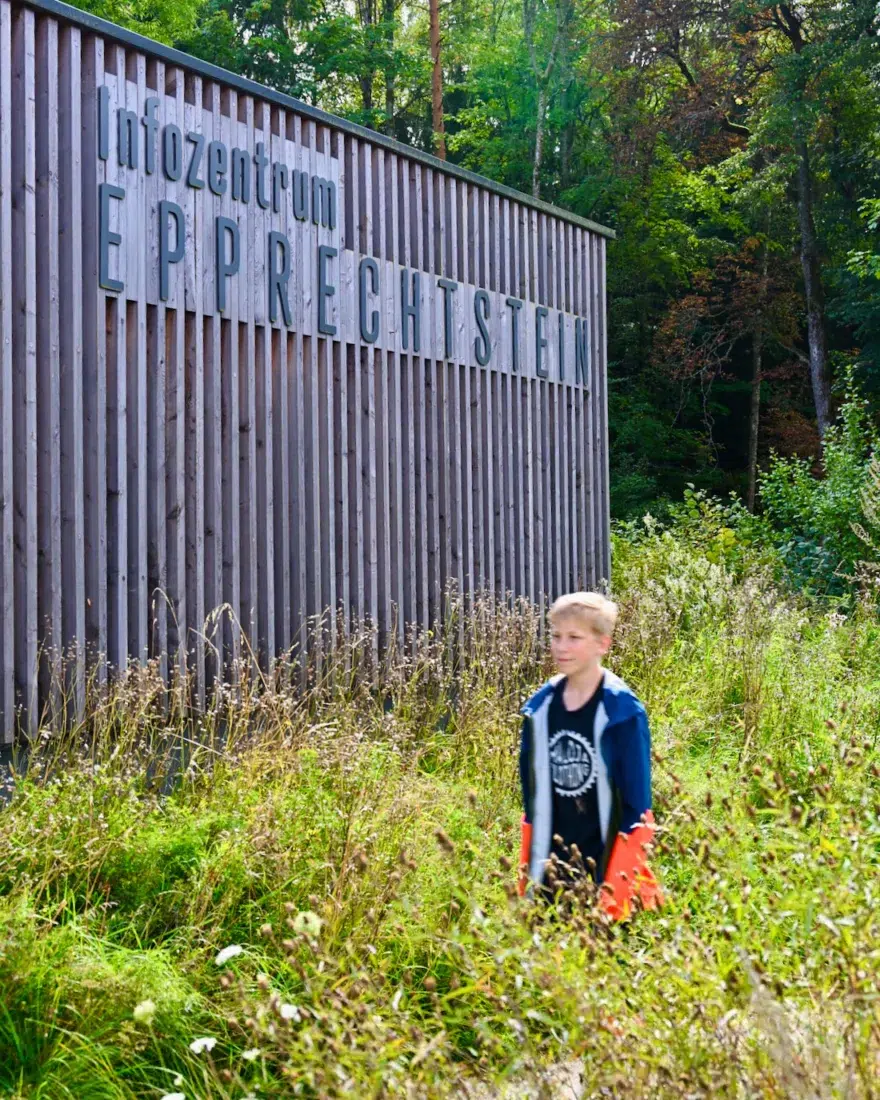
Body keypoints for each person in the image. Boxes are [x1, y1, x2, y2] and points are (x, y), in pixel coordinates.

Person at [517, 592, 662, 919]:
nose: (561, 646)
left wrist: (615, 892)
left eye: (574, 638)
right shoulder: (540, 709)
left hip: (606, 866)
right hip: (549, 865)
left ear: (602, 644)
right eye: (556, 636)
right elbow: (531, 799)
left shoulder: (621, 712)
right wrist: (528, 875)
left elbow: (638, 807)